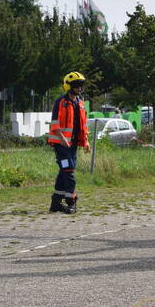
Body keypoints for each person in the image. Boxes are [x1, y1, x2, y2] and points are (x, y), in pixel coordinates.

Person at [46, 71, 89, 214]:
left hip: (73, 144)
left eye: (81, 85)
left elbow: (83, 125)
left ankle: (56, 202)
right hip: (61, 144)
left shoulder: (80, 103)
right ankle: (71, 201)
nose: (80, 88)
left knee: (64, 171)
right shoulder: (60, 102)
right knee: (69, 170)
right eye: (77, 85)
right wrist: (63, 139)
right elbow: (54, 123)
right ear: (68, 86)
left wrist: (86, 141)